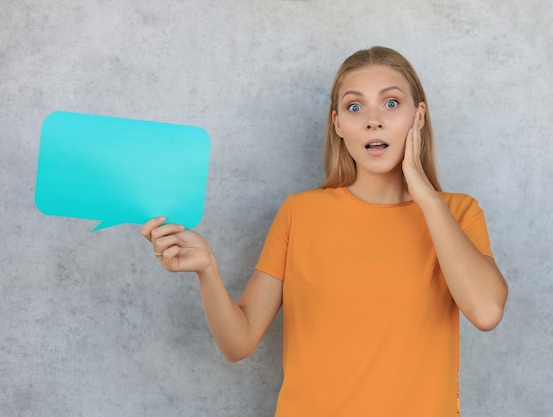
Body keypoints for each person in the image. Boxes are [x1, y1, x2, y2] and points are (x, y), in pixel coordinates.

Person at [141, 46, 508, 417]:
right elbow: (239, 343)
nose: (373, 120)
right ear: (337, 125)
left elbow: (486, 312)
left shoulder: (458, 213)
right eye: (355, 107)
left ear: (419, 117)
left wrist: (426, 197)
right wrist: (207, 270)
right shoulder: (300, 213)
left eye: (392, 103)